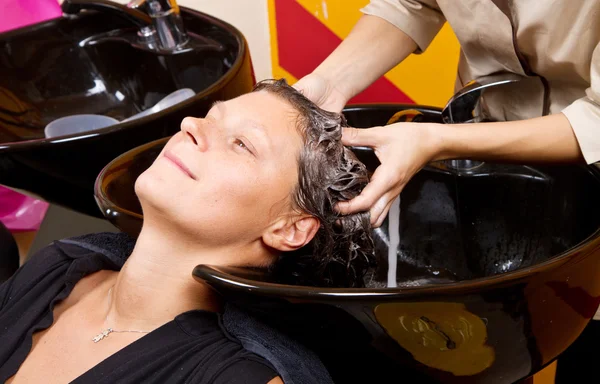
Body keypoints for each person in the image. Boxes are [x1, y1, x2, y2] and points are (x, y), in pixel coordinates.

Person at [0, 79, 374, 383]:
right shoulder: (61, 265)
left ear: (290, 229)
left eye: (242, 144)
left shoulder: (233, 378)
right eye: (209, 118)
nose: (189, 126)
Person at [293, 0, 600, 227]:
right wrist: (332, 82)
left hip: (585, 160)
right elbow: (413, 3)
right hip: (475, 125)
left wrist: (434, 140)